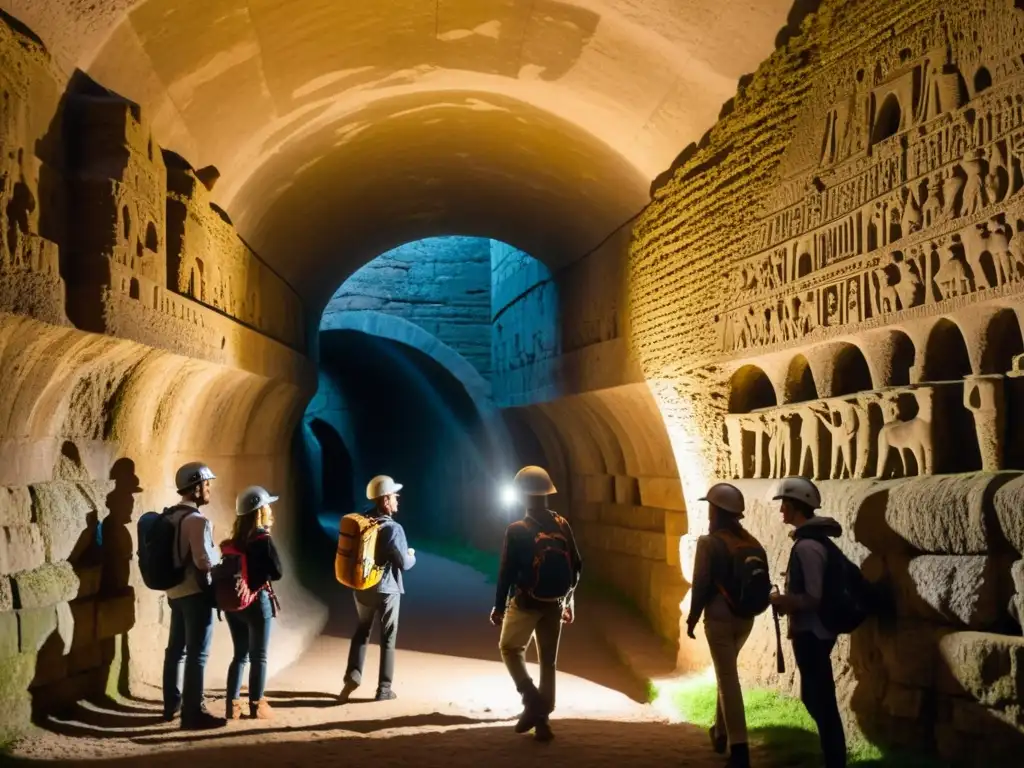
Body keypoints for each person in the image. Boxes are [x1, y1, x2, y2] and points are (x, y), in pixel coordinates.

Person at [490, 465, 582, 742]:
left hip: (527, 601)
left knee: (509, 647)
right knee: (548, 662)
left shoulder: (517, 529)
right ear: (547, 493)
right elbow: (577, 565)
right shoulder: (563, 524)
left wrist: (498, 606)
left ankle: (531, 698)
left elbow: (506, 571)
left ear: (521, 496)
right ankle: (543, 723)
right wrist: (569, 600)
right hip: (554, 602)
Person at [769, 476, 847, 768]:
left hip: (813, 632)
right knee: (815, 698)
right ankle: (833, 759)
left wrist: (783, 601)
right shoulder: (809, 543)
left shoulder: (807, 547)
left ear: (796, 507)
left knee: (820, 700)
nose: (781, 512)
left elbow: (813, 596)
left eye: (784, 505)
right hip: (813, 631)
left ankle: (835, 761)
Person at [685, 483, 759, 768]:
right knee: (725, 673)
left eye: (710, 508)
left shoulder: (710, 542)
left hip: (719, 616)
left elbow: (701, 583)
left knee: (728, 680)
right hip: (746, 617)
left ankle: (739, 749)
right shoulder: (751, 541)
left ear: (715, 511)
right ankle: (719, 733)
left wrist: (693, 617)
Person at [339, 475, 416, 702]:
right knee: (388, 637)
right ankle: (384, 689)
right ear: (384, 500)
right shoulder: (393, 528)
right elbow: (403, 563)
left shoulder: (362, 521)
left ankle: (352, 675)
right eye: (394, 496)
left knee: (362, 630)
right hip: (388, 590)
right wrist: (412, 555)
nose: (397, 500)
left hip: (363, 587)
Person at [162, 462, 226, 730]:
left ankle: (171, 704)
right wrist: (218, 562)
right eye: (206, 485)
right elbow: (202, 561)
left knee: (175, 649)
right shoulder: (198, 521)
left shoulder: (170, 517)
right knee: (197, 654)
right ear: (196, 487)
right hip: (195, 592)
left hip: (174, 590)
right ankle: (192, 713)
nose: (209, 489)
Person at [223, 486, 283, 720]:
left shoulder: (235, 541)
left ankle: (232, 706)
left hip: (235, 605)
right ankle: (257, 705)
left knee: (239, 655)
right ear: (260, 511)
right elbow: (277, 571)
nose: (270, 508)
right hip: (258, 601)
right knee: (259, 656)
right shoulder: (262, 539)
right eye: (267, 505)